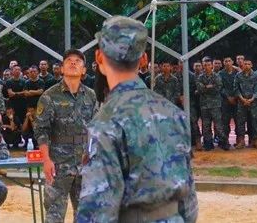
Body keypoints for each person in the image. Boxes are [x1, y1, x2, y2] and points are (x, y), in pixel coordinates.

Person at [76, 16, 197, 222]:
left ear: (99, 58)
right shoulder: (173, 113)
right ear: (143, 60)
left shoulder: (106, 122)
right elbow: (189, 200)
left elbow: (97, 210)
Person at [35, 48, 98, 222]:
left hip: (84, 162)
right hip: (58, 163)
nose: (73, 63)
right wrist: (46, 160)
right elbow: (41, 130)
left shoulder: (91, 95)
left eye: (78, 61)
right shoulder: (49, 96)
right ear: (62, 68)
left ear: (84, 70)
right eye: (69, 61)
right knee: (54, 215)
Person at [235, 57, 257, 148]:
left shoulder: (256, 75)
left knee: (256, 121)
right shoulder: (238, 75)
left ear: (252, 65)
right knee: (240, 122)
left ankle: (256, 140)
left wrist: (252, 99)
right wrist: (242, 99)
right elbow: (236, 89)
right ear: (243, 65)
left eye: (249, 64)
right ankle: (241, 141)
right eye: (245, 64)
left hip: (254, 103)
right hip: (242, 102)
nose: (247, 66)